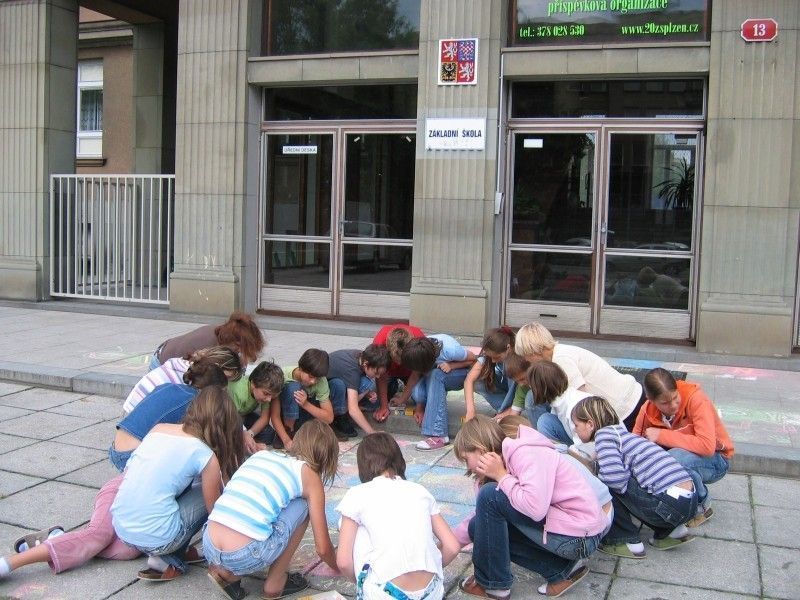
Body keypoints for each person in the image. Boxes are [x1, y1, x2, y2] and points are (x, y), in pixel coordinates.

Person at [453, 415, 605, 598]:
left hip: (581, 538)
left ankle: (492, 584)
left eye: (466, 459)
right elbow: (483, 518)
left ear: (480, 449)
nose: (467, 467)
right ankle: (562, 570)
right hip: (575, 532)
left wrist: (502, 476)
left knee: (490, 496)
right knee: (477, 525)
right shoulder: (508, 460)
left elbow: (535, 508)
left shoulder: (525, 453)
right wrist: (448, 543)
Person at [111, 385, 245, 581]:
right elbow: (214, 514)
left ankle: (172, 551)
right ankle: (168, 559)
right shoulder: (205, 455)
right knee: (210, 493)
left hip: (122, 528)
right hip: (158, 538)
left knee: (177, 485)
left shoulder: (158, 429)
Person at [203, 420, 340, 600]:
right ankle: (275, 583)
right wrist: (341, 566)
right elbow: (322, 548)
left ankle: (228, 574)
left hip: (209, 543)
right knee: (304, 506)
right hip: (247, 553)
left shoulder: (262, 455)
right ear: (328, 458)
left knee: (264, 507)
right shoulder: (310, 476)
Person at [336, 432, 461, 600]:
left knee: (352, 526)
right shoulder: (420, 491)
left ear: (363, 465)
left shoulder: (357, 494)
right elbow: (452, 546)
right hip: (431, 591)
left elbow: (343, 562)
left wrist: (362, 583)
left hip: (385, 593)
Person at [572, 396, 698, 559]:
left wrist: (593, 478)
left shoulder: (604, 436)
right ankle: (672, 532)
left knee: (604, 484)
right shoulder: (622, 435)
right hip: (688, 503)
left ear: (590, 424)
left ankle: (625, 540)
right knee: (623, 477)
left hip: (669, 506)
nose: (574, 429)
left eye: (576, 425)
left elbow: (615, 480)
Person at [635, 367, 734, 527]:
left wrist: (661, 435)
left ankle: (702, 504)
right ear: (651, 400)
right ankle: (674, 502)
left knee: (674, 459)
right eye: (665, 403)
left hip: (716, 460)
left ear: (677, 388)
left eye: (675, 397)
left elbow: (707, 446)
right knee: (653, 461)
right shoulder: (647, 410)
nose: (673, 405)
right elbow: (635, 444)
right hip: (681, 456)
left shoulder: (696, 399)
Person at [0, 475, 140, 580]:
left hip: (139, 509)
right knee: (98, 535)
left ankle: (59, 539)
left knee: (128, 550)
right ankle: (8, 564)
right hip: (121, 491)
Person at [515, 322, 645, 430]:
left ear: (533, 351)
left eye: (526, 356)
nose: (527, 360)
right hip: (630, 400)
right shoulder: (561, 351)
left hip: (624, 411)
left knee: (538, 409)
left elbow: (581, 400)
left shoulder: (561, 360)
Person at [109, 359, 228, 471]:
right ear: (213, 391)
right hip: (131, 455)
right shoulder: (194, 402)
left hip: (117, 445)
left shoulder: (169, 386)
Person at [401, 335, 477, 450]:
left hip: (460, 373)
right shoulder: (419, 349)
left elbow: (473, 360)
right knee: (417, 392)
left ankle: (439, 435)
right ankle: (431, 411)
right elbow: (415, 376)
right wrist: (419, 407)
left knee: (435, 374)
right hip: (438, 373)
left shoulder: (450, 350)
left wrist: (452, 365)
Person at [123, 346, 243, 414]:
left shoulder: (189, 366)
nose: (225, 383)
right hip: (137, 427)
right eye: (226, 377)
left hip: (130, 418)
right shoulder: (192, 380)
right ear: (217, 367)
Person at [150, 311, 265, 370]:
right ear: (237, 344)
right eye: (241, 350)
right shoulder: (208, 347)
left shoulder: (225, 337)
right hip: (162, 363)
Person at [272, 348, 333, 450]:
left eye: (317, 378)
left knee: (337, 385)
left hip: (305, 415)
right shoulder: (281, 376)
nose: (313, 381)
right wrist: (286, 440)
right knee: (293, 387)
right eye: (311, 376)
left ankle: (304, 431)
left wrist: (305, 404)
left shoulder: (321, 381)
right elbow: (274, 415)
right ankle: (288, 431)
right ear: (300, 368)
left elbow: (329, 417)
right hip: (286, 417)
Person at [327, 345, 391, 438]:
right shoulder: (352, 369)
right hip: (324, 393)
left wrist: (366, 393)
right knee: (340, 385)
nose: (378, 377)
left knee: (367, 384)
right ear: (366, 364)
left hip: (335, 383)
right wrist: (372, 432)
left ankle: (344, 408)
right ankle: (339, 417)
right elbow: (353, 410)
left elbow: (350, 380)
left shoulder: (362, 357)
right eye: (376, 373)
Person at [526, 360, 594, 447]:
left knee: (544, 422)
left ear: (539, 388)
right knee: (546, 420)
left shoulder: (572, 409)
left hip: (591, 445)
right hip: (581, 439)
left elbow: (584, 445)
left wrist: (567, 452)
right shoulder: (561, 400)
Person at [371, 324, 425, 422]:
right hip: (389, 373)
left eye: (404, 361)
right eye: (396, 360)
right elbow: (381, 376)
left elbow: (416, 374)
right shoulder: (380, 342)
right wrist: (383, 406)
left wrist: (403, 399)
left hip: (410, 373)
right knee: (379, 397)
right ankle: (397, 385)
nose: (400, 364)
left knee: (418, 396)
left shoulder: (419, 341)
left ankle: (402, 386)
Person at [463, 327, 519, 421]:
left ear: (508, 348)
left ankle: (508, 411)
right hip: (505, 386)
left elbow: (522, 391)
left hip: (518, 392)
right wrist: (470, 411)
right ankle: (504, 410)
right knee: (477, 381)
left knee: (511, 372)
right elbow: (469, 380)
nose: (493, 361)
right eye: (490, 357)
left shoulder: (518, 358)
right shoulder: (490, 356)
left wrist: (513, 410)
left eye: (496, 357)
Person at [228, 360, 284, 449]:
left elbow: (264, 418)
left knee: (269, 434)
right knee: (229, 436)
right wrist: (244, 434)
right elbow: (231, 419)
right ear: (253, 384)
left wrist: (250, 433)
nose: (269, 399)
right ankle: (243, 443)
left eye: (272, 396)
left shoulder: (265, 396)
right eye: (266, 393)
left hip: (244, 416)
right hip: (228, 417)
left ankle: (246, 441)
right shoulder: (238, 392)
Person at [496, 353, 531, 421]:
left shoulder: (544, 378)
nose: (521, 384)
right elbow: (514, 415)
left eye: (522, 379)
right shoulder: (522, 389)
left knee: (530, 397)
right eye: (517, 381)